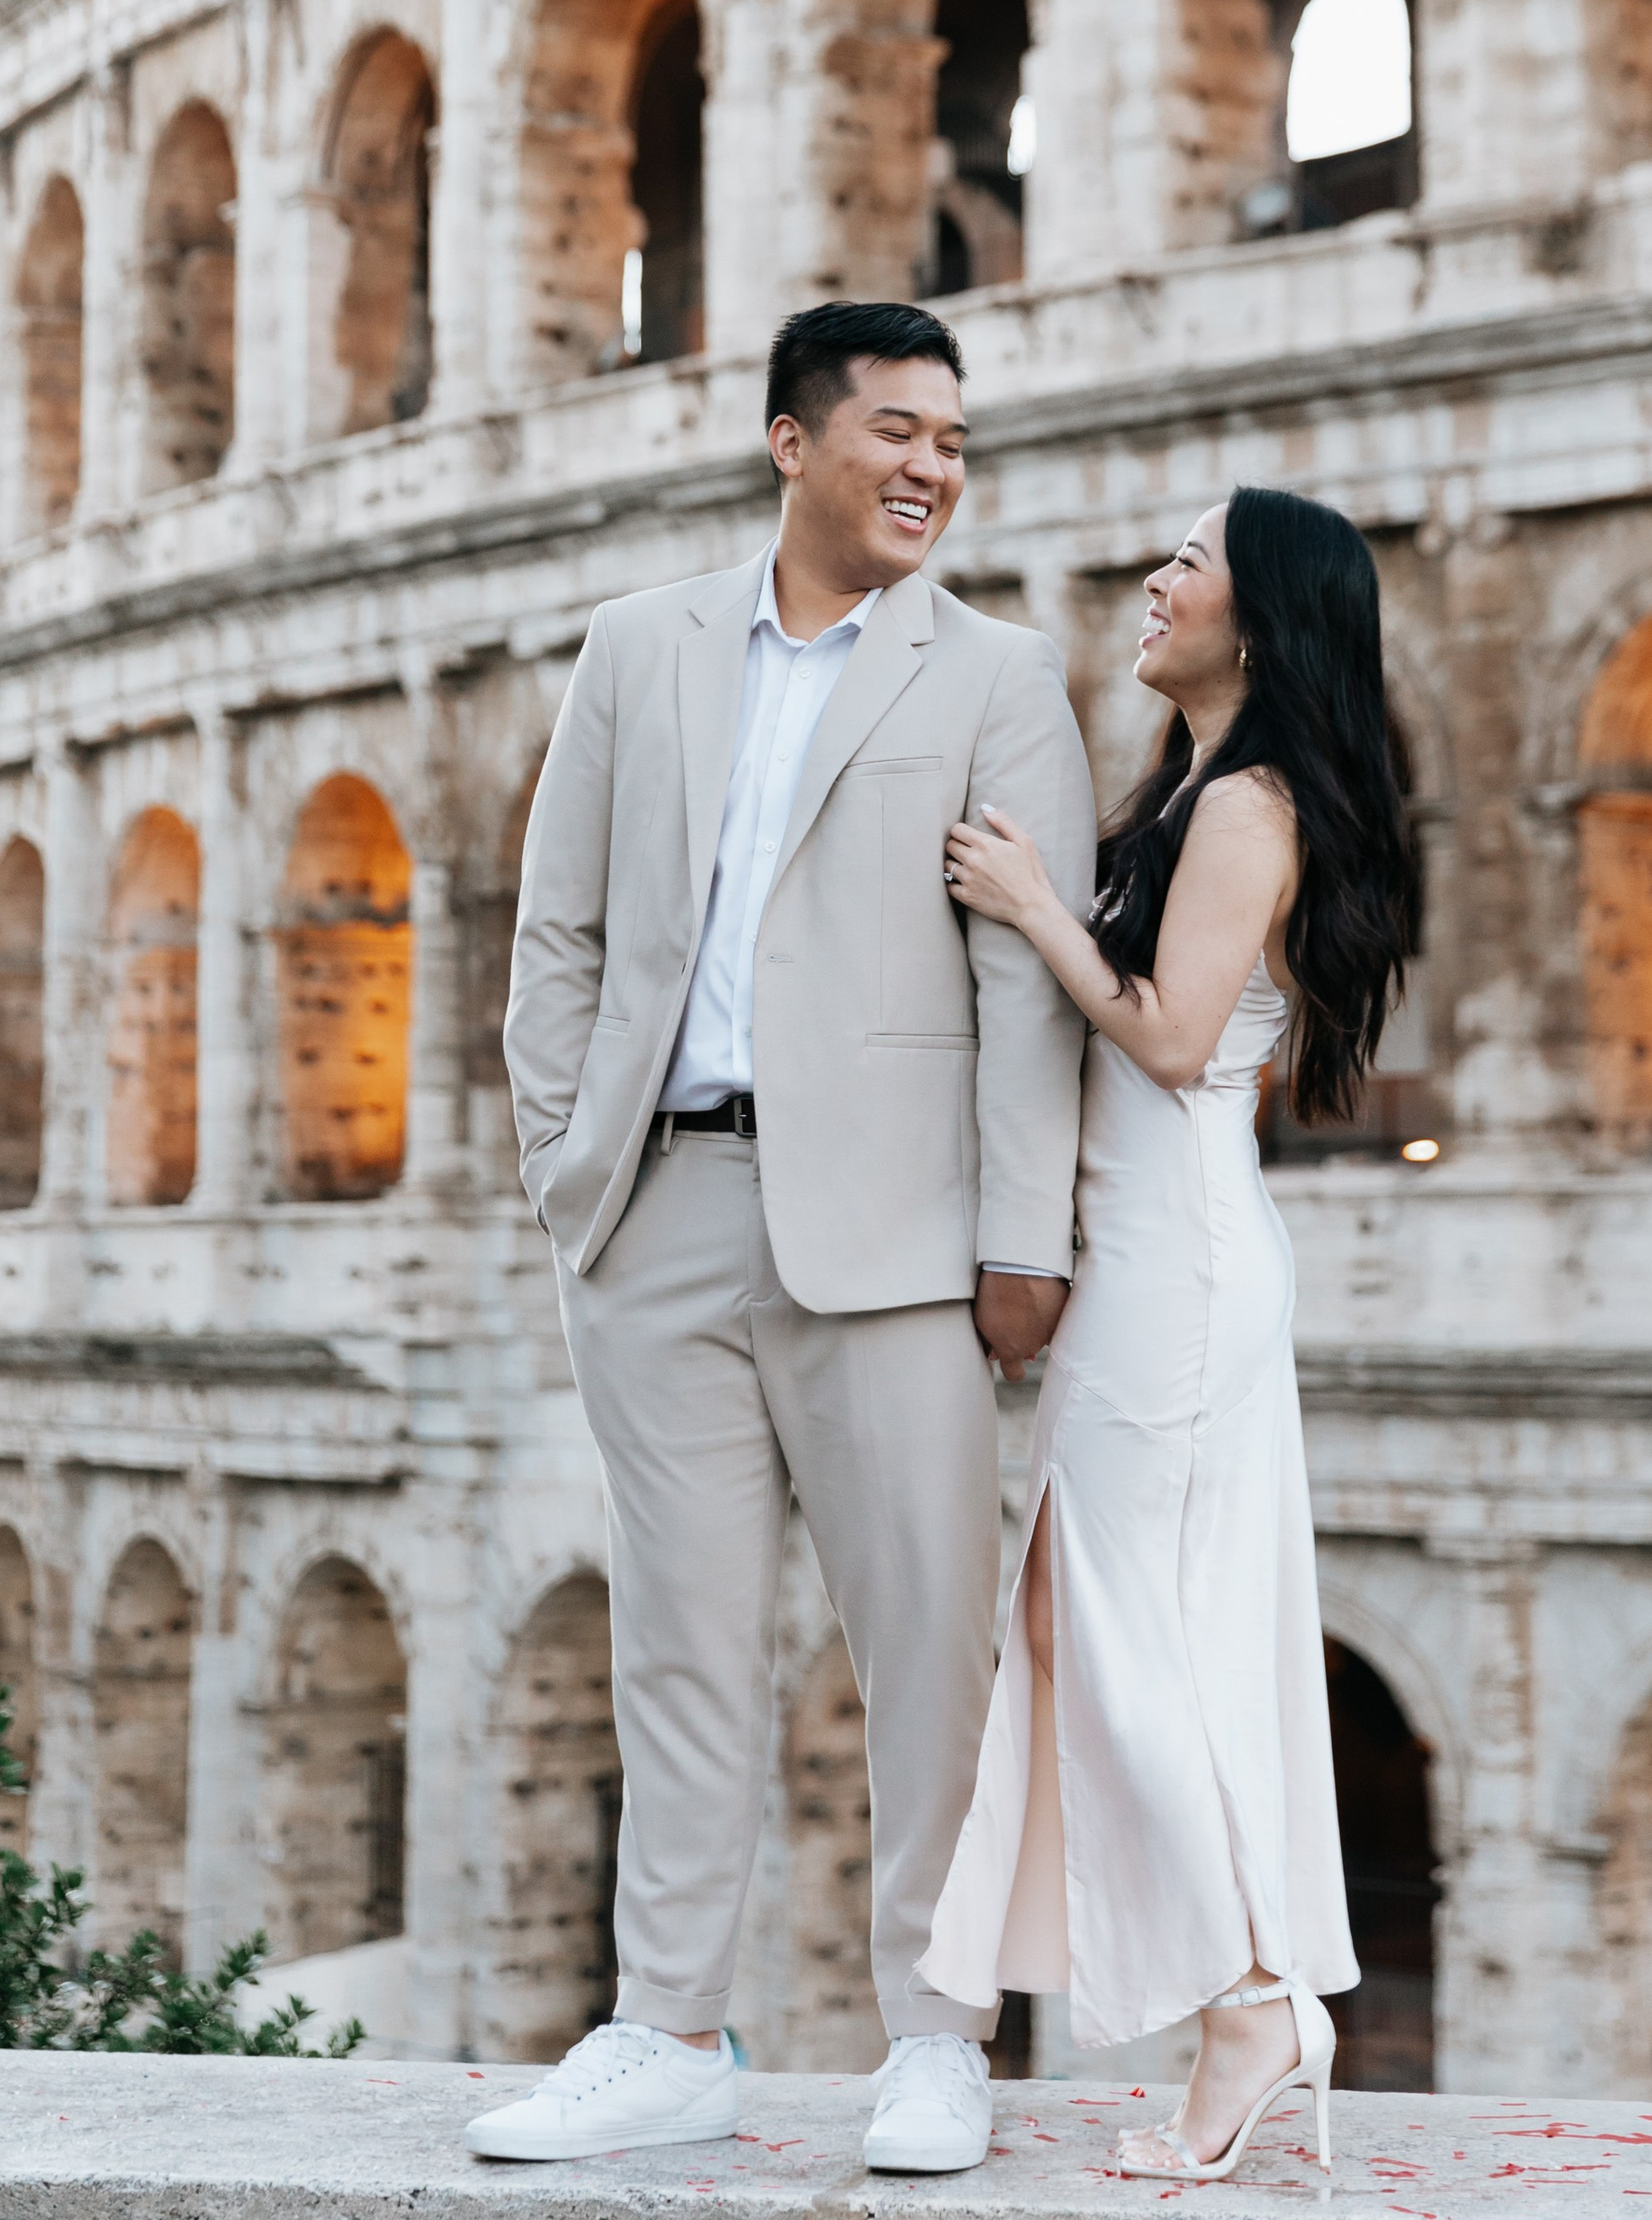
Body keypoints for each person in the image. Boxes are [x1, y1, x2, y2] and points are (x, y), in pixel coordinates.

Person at [472, 301, 1096, 2173]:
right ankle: (668, 2030)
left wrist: (1018, 1241)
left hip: (896, 1239)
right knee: (674, 1639)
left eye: (951, 444)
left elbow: (1024, 985)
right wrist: (565, 1171)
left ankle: (935, 2035)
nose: (926, 468)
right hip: (656, 1209)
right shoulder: (636, 649)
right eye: (893, 431)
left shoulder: (998, 674)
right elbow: (557, 935)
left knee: (926, 1651)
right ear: (789, 442)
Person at [919, 485, 1418, 2182]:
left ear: (1258, 619)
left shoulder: (1253, 804)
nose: (1154, 576)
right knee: (1097, 1620)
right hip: (1154, 1244)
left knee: (1136, 1632)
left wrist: (1031, 901)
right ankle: (1251, 1982)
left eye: (1188, 559)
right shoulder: (1200, 792)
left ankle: (1254, 1998)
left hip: (1181, 1255)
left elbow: (1173, 1031)